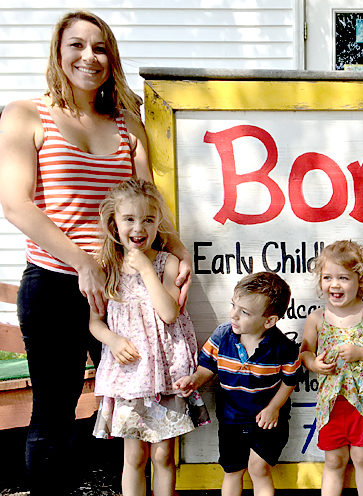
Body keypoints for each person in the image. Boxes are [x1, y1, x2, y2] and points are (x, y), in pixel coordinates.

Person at [0, 11, 191, 495]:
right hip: (57, 283)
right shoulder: (26, 114)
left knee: (133, 407)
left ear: (112, 58)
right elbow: (16, 204)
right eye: (77, 46)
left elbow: (149, 202)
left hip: (126, 288)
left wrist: (178, 249)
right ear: (58, 53)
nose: (89, 56)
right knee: (55, 412)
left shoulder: (128, 123)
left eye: (100, 47)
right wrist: (83, 261)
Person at [89, 179, 208, 496]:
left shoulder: (167, 263)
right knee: (134, 456)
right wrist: (112, 341)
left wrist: (144, 269)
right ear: (114, 222)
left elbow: (169, 314)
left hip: (166, 374)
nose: (138, 227)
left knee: (163, 456)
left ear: (158, 223)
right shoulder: (107, 267)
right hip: (130, 377)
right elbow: (94, 323)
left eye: (148, 219)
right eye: (129, 219)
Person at [175, 272, 300, 496]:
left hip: (266, 420)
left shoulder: (283, 347)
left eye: (244, 312)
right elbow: (208, 367)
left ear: (269, 320)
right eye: (234, 306)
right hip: (232, 417)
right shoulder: (222, 337)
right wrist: (194, 379)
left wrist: (274, 408)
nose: (234, 315)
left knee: (258, 468)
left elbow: (289, 380)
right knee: (233, 470)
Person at [299, 240, 363, 496]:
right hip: (331, 403)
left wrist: (361, 353)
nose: (335, 284)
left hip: (362, 403)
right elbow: (305, 351)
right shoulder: (317, 318)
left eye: (343, 277)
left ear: (360, 280)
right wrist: (313, 363)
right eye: (327, 277)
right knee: (334, 460)